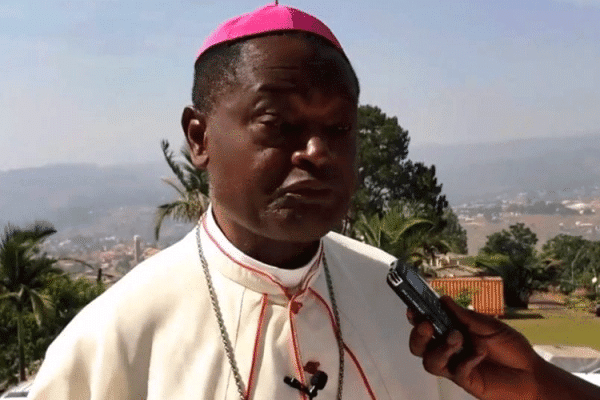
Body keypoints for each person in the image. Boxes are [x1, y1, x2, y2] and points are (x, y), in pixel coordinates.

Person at [27, 3, 600, 400]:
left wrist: (536, 388)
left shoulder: (412, 316)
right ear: (199, 138)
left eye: (340, 128)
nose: (318, 152)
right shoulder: (108, 341)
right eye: (278, 123)